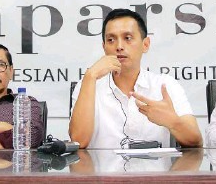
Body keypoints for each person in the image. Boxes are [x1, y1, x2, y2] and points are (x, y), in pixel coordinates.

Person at [69, 8, 202, 148]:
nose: (119, 46)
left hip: (155, 170)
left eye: (127, 38)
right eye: (111, 40)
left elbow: (196, 141)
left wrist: (173, 122)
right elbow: (79, 141)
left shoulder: (165, 85)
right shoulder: (87, 85)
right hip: (102, 169)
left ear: (145, 44)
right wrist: (90, 76)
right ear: (104, 47)